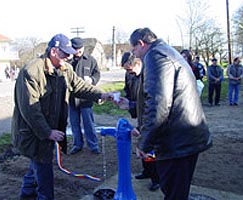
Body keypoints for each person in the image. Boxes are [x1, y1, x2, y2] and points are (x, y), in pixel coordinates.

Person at [11, 33, 110, 200]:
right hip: (34, 133)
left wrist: (102, 95)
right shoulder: (31, 72)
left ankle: (26, 195)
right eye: (65, 53)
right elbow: (30, 109)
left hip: (47, 130)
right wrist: (47, 132)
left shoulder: (65, 69)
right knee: (44, 172)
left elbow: (80, 86)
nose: (69, 56)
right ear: (54, 51)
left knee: (36, 167)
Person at [129, 27, 212, 200]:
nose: (135, 54)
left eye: (134, 49)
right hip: (185, 135)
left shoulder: (155, 56)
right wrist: (131, 105)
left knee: (174, 193)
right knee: (177, 191)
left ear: (141, 43)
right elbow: (169, 96)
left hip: (178, 141)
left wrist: (144, 143)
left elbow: (159, 104)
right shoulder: (167, 51)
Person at [119, 52, 160, 191]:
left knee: (150, 146)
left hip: (149, 116)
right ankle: (147, 171)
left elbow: (150, 102)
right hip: (140, 115)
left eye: (129, 69)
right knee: (142, 141)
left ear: (137, 63)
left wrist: (132, 105)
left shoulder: (149, 76)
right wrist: (127, 101)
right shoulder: (130, 75)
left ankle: (156, 178)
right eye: (126, 70)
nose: (128, 72)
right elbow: (128, 90)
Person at [68, 37, 101, 155]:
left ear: (83, 47)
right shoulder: (67, 61)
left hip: (86, 98)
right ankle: (77, 144)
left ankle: (93, 145)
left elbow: (97, 74)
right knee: (74, 124)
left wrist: (92, 80)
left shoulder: (90, 60)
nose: (78, 51)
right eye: (75, 49)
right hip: (71, 99)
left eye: (79, 48)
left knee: (89, 123)